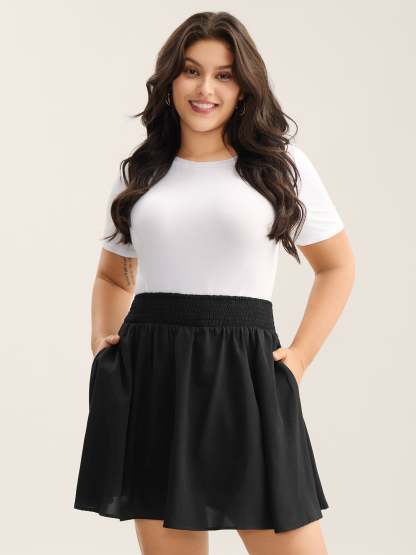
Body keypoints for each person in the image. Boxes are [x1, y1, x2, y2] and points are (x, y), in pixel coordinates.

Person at [73, 11, 355, 555]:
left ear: (244, 86)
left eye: (224, 75)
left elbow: (338, 266)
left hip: (246, 371)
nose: (205, 88)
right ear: (170, 80)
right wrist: (102, 342)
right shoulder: (141, 172)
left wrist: (299, 357)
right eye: (191, 71)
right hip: (153, 371)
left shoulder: (279, 166)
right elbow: (113, 273)